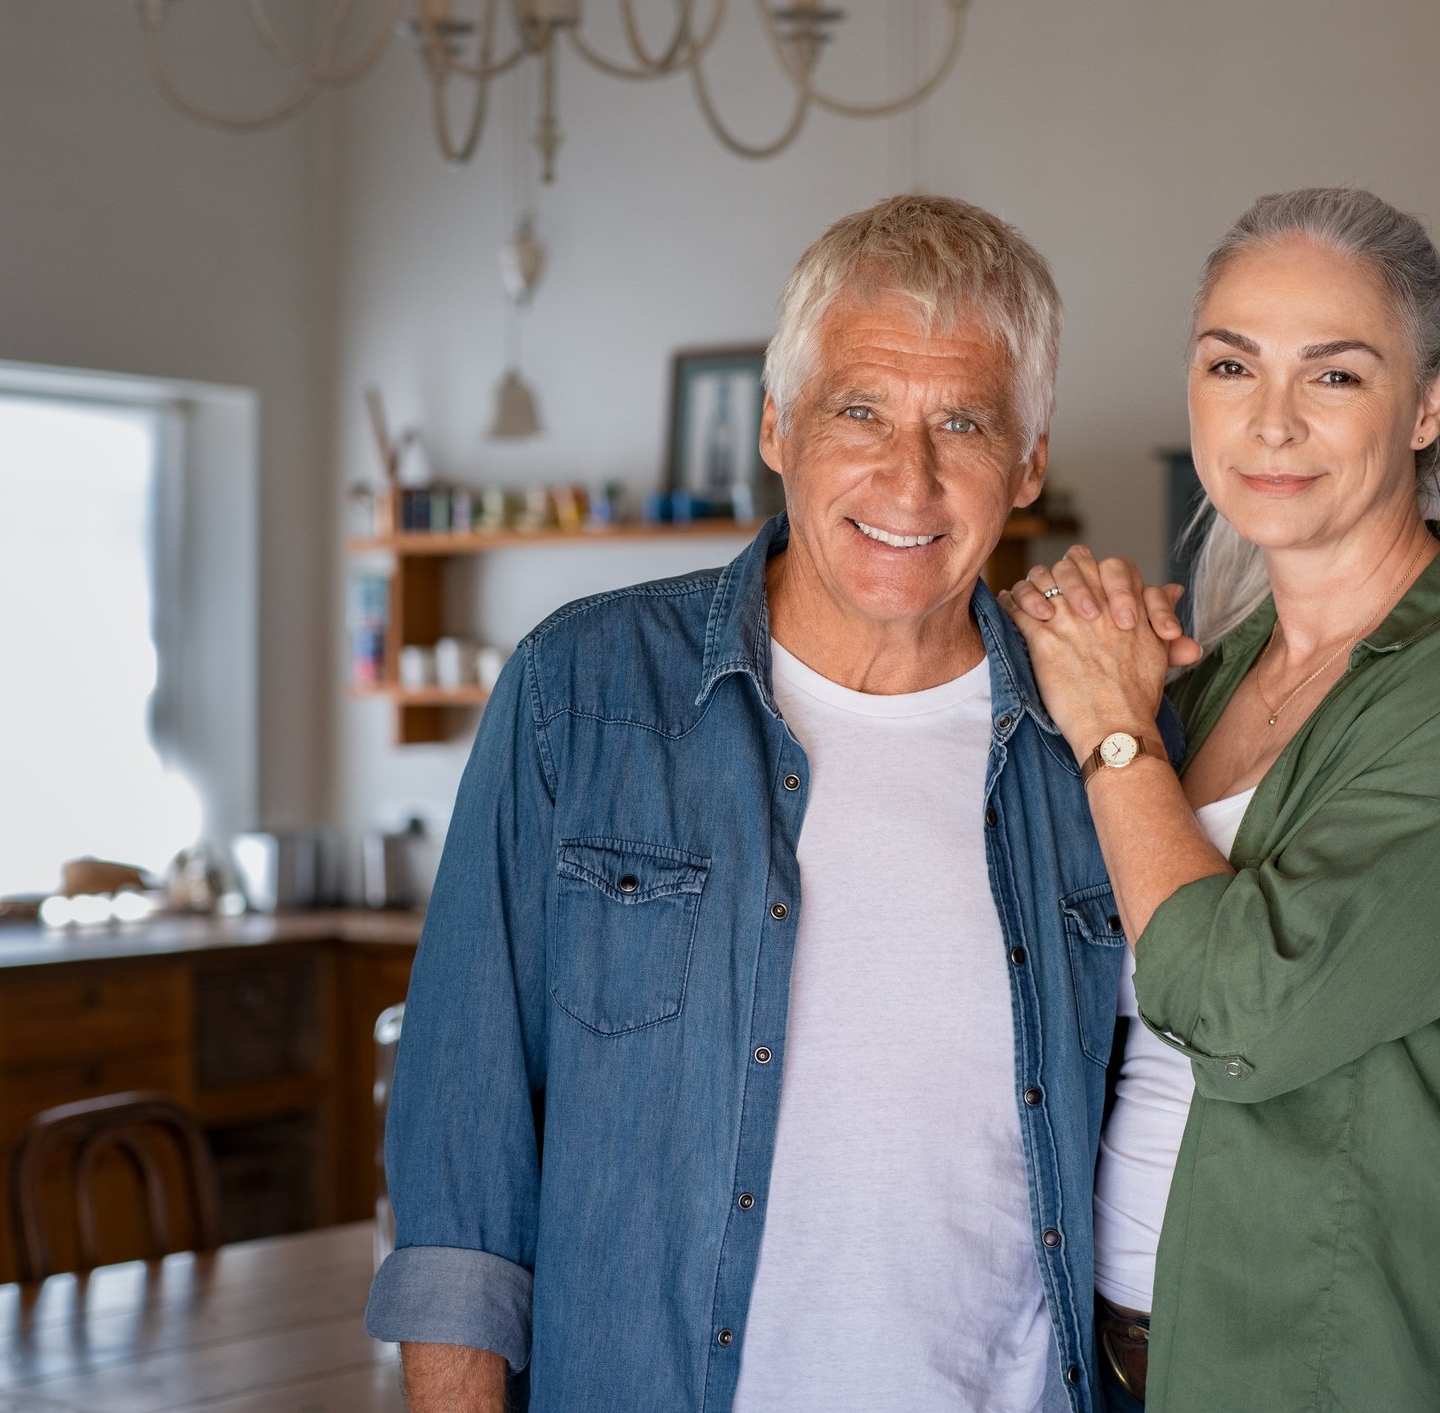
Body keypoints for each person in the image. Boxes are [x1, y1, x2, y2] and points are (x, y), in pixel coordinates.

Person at [366, 194, 1184, 1413]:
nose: (908, 479)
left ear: (1028, 460)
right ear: (775, 425)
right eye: (860, 409)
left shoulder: (1110, 741)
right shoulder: (580, 697)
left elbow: (1192, 1108)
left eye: (962, 422)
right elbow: (459, 1170)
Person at [1005, 187, 1440, 1412]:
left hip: (1331, 1371)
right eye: (1231, 364)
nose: (1271, 421)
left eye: (1334, 376)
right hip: (1112, 1356)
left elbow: (1247, 1007)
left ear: (1430, 403)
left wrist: (1114, 737)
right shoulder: (1226, 668)